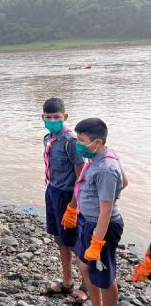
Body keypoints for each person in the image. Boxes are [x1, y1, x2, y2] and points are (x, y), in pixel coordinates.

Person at [72, 118, 128, 306]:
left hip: (102, 226)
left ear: (97, 143)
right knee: (84, 265)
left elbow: (106, 211)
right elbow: (125, 182)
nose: (77, 144)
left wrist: (97, 242)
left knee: (104, 278)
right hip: (88, 222)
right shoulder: (97, 156)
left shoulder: (105, 168)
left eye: (81, 140)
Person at [40, 98, 88, 303]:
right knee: (60, 239)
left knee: (76, 243)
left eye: (57, 117)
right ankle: (67, 281)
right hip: (52, 191)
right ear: (42, 118)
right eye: (48, 117)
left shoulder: (71, 142)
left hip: (68, 196)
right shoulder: (47, 138)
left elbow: (81, 177)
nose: (53, 120)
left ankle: (86, 287)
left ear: (65, 117)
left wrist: (74, 206)